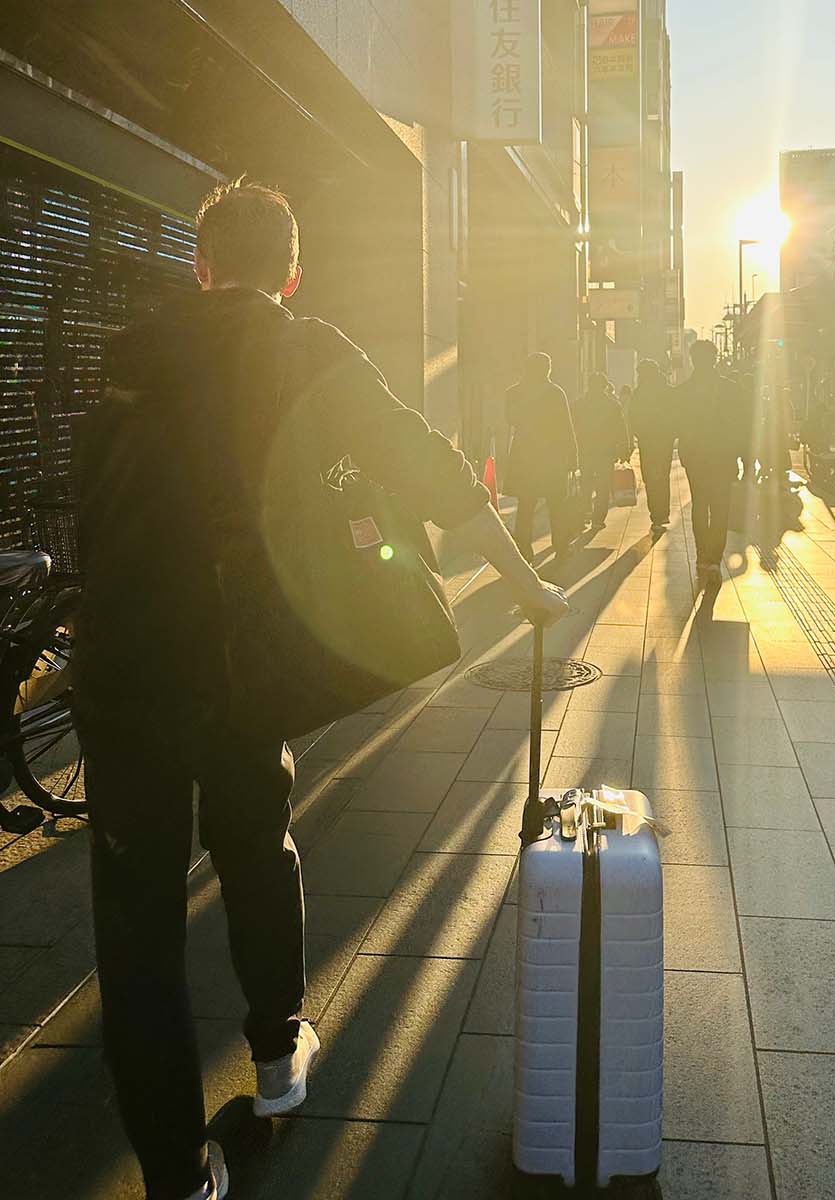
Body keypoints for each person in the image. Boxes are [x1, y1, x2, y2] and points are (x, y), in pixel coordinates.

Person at [74, 181, 568, 1200]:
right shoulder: (305, 348)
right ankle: (273, 1055)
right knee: (256, 842)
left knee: (135, 927)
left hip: (123, 674)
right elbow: (423, 462)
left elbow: (92, 504)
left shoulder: (131, 356)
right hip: (233, 666)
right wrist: (526, 587)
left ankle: (177, 1178)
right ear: (290, 273)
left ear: (201, 265)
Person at [505, 351, 579, 563]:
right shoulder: (555, 393)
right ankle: (561, 547)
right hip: (552, 457)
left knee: (526, 506)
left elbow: (510, 419)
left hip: (524, 457)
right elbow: (566, 427)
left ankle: (524, 551)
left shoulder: (514, 393)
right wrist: (572, 456)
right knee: (557, 505)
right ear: (547, 369)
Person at [674, 340, 739, 581]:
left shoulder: (683, 392)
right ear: (714, 359)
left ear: (693, 360)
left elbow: (676, 425)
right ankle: (713, 558)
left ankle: (703, 556)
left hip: (696, 457)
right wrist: (743, 455)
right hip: (723, 457)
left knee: (700, 505)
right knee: (721, 508)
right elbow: (740, 427)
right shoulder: (730, 389)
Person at [574, 368, 631, 531]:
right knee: (603, 485)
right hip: (606, 452)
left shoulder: (579, 404)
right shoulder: (612, 405)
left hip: (585, 450)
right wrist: (624, 449)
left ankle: (584, 513)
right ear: (604, 387)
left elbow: (572, 427)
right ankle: (598, 518)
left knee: (585, 483)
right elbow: (621, 428)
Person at [629, 359, 676, 532]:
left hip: (647, 441)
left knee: (650, 477)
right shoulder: (668, 391)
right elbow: (676, 414)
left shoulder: (639, 393)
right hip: (664, 441)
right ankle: (662, 513)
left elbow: (632, 416)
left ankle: (656, 514)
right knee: (663, 476)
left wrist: (638, 433)